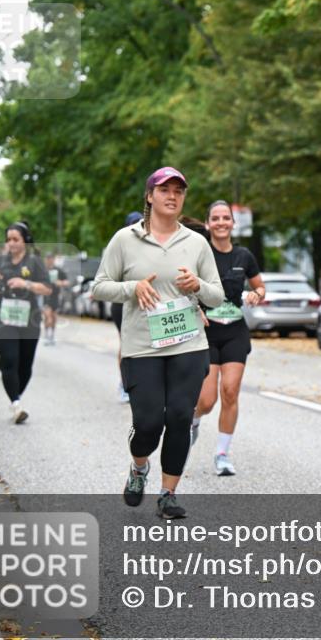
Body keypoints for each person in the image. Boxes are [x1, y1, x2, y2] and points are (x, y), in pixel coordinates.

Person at [92, 167, 223, 520]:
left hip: (189, 344)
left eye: (179, 191)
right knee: (149, 423)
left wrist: (197, 286)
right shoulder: (124, 240)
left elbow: (217, 295)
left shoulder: (196, 243)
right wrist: (132, 287)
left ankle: (168, 494)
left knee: (180, 418)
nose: (172, 196)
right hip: (142, 348)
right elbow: (98, 287)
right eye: (165, 189)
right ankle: (138, 468)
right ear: (149, 196)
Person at [191, 201, 266, 476]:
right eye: (216, 218)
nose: (221, 222)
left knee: (230, 391)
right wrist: (195, 308)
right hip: (206, 332)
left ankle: (222, 453)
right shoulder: (200, 253)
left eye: (226, 218)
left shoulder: (244, 255)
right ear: (208, 223)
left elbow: (259, 285)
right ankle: (195, 421)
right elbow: (184, 287)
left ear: (233, 223)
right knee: (207, 400)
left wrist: (258, 293)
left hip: (235, 330)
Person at [0, 223, 53, 423]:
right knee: (10, 359)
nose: (11, 243)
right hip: (3, 318)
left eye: (15, 239)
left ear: (25, 241)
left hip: (29, 319)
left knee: (25, 366)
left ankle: (15, 394)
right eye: (8, 239)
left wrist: (25, 283)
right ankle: (16, 404)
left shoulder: (35, 262)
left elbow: (47, 289)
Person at [111, 212, 145, 403]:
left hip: (147, 302)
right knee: (126, 344)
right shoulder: (120, 247)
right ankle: (125, 383)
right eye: (133, 225)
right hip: (123, 304)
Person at [41, 254, 68, 345]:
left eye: (51, 259)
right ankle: (46, 335)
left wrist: (60, 283)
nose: (49, 261)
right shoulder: (42, 270)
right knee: (48, 316)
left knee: (54, 317)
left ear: (53, 260)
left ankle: (51, 335)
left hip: (55, 296)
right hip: (45, 296)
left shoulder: (58, 270)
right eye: (47, 259)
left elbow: (66, 282)